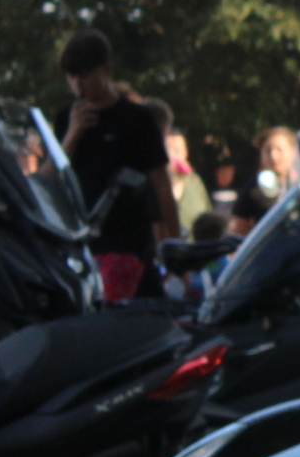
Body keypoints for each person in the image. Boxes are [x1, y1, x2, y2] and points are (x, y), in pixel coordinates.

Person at [54, 29, 177, 299]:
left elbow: (161, 182)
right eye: (71, 76)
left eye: (85, 74)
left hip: (130, 243)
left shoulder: (137, 120)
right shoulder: (66, 118)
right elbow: (48, 178)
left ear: (106, 70)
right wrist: (72, 136)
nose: (78, 84)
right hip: (82, 245)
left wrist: (174, 243)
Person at [140, 99, 211, 228]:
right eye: (171, 150)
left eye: (179, 151)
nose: (176, 157)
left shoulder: (194, 182)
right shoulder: (142, 179)